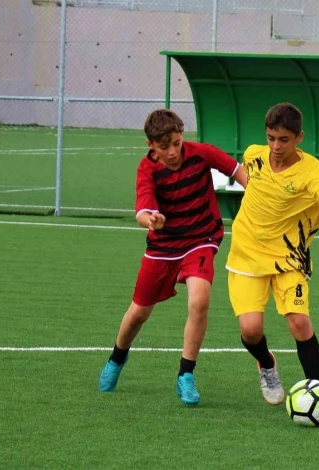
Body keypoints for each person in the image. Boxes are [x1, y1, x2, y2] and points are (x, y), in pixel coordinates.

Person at [225, 102, 319, 421]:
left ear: (299, 137)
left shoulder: (311, 173)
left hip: (289, 260)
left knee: (299, 322)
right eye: (271, 138)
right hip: (246, 254)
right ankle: (267, 365)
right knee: (250, 331)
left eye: (284, 140)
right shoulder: (254, 155)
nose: (276, 146)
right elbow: (253, 183)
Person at [99, 108, 248, 406]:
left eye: (176, 143)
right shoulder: (147, 169)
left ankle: (186, 375)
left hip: (201, 239)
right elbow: (142, 210)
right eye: (164, 146)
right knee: (139, 313)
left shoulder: (202, 153)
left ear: (182, 137)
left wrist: (258, 196)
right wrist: (151, 219)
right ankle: (117, 357)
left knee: (199, 301)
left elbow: (238, 172)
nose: (172, 152)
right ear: (150, 145)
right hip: (163, 246)